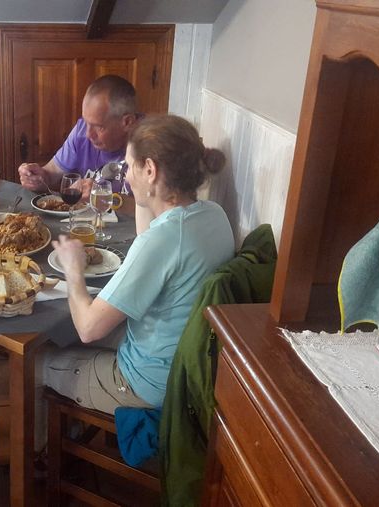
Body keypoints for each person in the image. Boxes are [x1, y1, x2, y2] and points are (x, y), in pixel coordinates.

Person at [43, 114, 235, 415]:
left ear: (150, 170)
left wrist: (73, 269)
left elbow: (88, 328)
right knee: (66, 337)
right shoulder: (213, 214)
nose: (126, 177)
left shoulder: (164, 240)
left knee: (37, 360)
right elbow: (147, 237)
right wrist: (146, 195)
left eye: (129, 166)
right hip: (187, 364)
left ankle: (56, 441)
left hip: (148, 384)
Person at [19, 74, 140, 196]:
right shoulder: (81, 131)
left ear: (127, 122)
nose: (88, 134)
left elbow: (152, 206)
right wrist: (38, 178)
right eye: (86, 122)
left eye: (99, 127)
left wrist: (104, 196)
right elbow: (52, 173)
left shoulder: (147, 144)